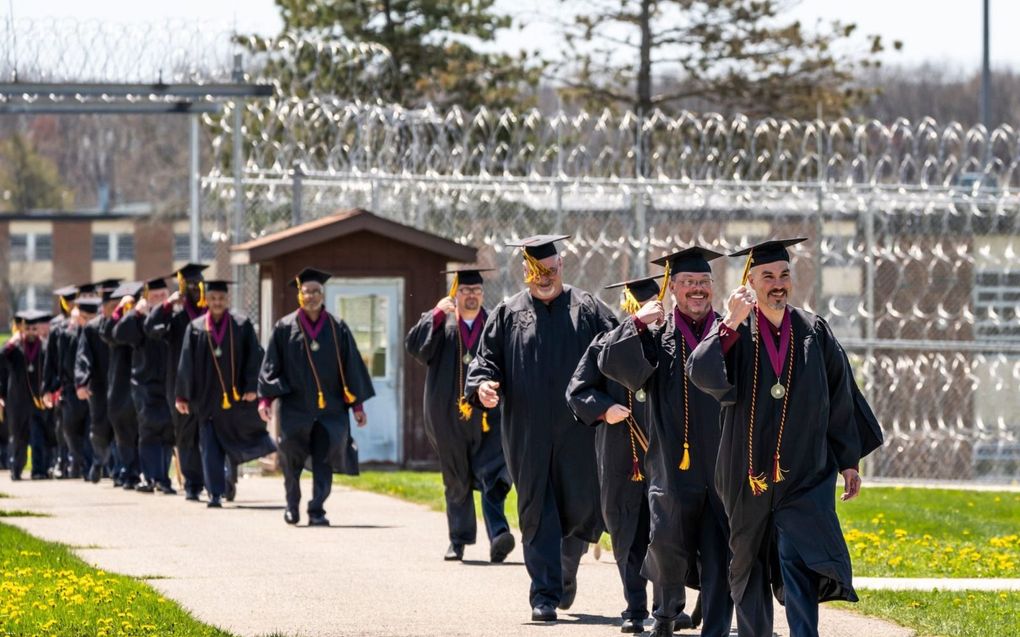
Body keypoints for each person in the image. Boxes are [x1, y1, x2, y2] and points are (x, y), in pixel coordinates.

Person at [686, 238, 883, 637]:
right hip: (746, 472)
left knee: (800, 557)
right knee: (749, 562)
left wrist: (848, 461)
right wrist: (729, 324)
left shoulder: (814, 330)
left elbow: (840, 395)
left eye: (784, 275)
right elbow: (700, 372)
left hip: (805, 471)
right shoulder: (736, 331)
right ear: (751, 282)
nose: (778, 284)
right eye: (768, 276)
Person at [464, 235, 616, 622]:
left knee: (582, 505)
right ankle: (544, 594)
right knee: (536, 508)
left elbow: (618, 351)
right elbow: (485, 360)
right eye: (536, 271)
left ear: (562, 266)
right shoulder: (508, 313)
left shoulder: (589, 310)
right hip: (526, 430)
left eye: (550, 270)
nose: (544, 278)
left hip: (580, 430)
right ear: (525, 271)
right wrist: (482, 385)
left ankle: (565, 570)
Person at [598, 247, 733, 636]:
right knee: (668, 540)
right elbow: (611, 362)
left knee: (720, 543)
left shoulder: (727, 332)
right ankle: (666, 612)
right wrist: (636, 325)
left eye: (704, 283)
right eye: (688, 283)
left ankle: (717, 622)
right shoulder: (657, 335)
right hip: (671, 461)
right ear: (672, 288)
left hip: (722, 459)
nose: (697, 290)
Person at [565, 274, 661, 633]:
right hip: (621, 456)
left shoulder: (671, 345)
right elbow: (577, 390)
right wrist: (604, 409)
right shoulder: (605, 343)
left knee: (665, 531)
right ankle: (635, 607)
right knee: (626, 531)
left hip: (665, 455)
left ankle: (669, 605)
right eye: (642, 309)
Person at [405, 267, 515, 563]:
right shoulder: (442, 322)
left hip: (488, 415)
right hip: (447, 414)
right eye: (465, 291)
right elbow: (415, 348)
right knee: (456, 478)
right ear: (455, 292)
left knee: (494, 472)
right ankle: (458, 540)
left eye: (477, 291)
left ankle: (499, 534)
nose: (471, 296)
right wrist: (436, 315)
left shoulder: (493, 323)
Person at [258, 267, 375, 527]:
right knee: (291, 458)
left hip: (330, 408)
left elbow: (351, 367)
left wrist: (357, 405)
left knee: (325, 458)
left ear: (323, 294)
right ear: (299, 295)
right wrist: (265, 400)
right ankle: (292, 504)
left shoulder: (336, 327)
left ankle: (317, 509)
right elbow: (270, 367)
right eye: (306, 291)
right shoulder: (285, 328)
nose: (311, 296)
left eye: (316, 291)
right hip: (295, 408)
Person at [175, 280, 276, 508]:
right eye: (213, 298)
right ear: (207, 300)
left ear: (227, 299)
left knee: (231, 443)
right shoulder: (196, 328)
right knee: (209, 447)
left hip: (236, 399)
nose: (217, 302)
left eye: (221, 298)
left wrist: (252, 387)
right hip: (206, 399)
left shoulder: (241, 325)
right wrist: (182, 396)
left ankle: (228, 481)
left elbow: (254, 357)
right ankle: (215, 493)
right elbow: (186, 363)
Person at [144, 263, 208, 501]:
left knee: (211, 432)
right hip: (180, 385)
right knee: (185, 435)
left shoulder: (210, 316)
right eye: (189, 284)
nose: (194, 288)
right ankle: (193, 482)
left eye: (198, 284)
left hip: (208, 384)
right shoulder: (176, 318)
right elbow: (150, 328)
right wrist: (167, 304)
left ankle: (216, 479)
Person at [111, 276, 176, 494]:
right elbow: (118, 334)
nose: (159, 299)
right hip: (144, 383)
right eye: (154, 296)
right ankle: (150, 477)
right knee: (149, 429)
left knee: (168, 430)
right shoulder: (139, 318)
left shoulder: (172, 316)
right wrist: (135, 313)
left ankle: (162, 477)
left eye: (163, 295)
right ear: (146, 298)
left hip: (169, 382)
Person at [76, 281, 122, 482]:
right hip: (100, 385)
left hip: (122, 384)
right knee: (100, 429)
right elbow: (83, 356)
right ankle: (99, 460)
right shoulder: (92, 329)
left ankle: (119, 470)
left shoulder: (125, 326)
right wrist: (82, 382)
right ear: (102, 307)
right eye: (111, 305)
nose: (114, 309)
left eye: (117, 305)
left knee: (123, 427)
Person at [1, 310, 54, 480]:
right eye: (28, 329)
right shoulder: (15, 348)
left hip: (38, 400)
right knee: (18, 437)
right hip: (17, 400)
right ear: (22, 329)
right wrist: (10, 343)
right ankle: (16, 469)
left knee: (39, 436)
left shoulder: (44, 347)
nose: (31, 332)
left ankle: (39, 470)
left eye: (34, 329)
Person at [99, 281, 142, 489]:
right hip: (119, 381)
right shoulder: (112, 324)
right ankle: (126, 469)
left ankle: (137, 471)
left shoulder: (142, 318)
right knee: (122, 427)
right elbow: (107, 334)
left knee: (141, 428)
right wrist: (118, 312)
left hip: (141, 378)